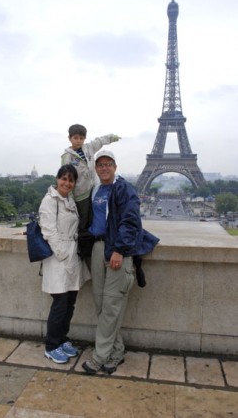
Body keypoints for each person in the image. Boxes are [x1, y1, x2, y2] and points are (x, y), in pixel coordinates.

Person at [82, 150, 159, 375]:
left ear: (115, 166)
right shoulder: (96, 189)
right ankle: (116, 353)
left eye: (108, 164)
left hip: (116, 250)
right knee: (101, 304)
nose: (104, 168)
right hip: (98, 249)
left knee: (111, 306)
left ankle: (99, 357)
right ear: (96, 168)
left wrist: (119, 249)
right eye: (100, 165)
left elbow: (131, 222)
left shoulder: (124, 188)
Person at [39, 164, 90, 364]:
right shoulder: (49, 201)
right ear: (57, 178)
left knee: (69, 304)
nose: (67, 183)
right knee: (60, 305)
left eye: (71, 180)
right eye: (64, 179)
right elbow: (49, 232)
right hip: (59, 259)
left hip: (72, 258)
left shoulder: (68, 200)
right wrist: (62, 255)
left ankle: (61, 340)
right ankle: (51, 346)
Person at [61, 124, 121, 237]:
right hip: (80, 195)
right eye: (76, 138)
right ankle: (84, 247)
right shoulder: (67, 157)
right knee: (83, 221)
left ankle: (95, 239)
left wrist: (112, 137)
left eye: (81, 138)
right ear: (69, 138)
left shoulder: (88, 148)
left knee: (95, 217)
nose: (79, 141)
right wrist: (70, 198)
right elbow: (66, 178)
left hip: (94, 190)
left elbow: (99, 141)